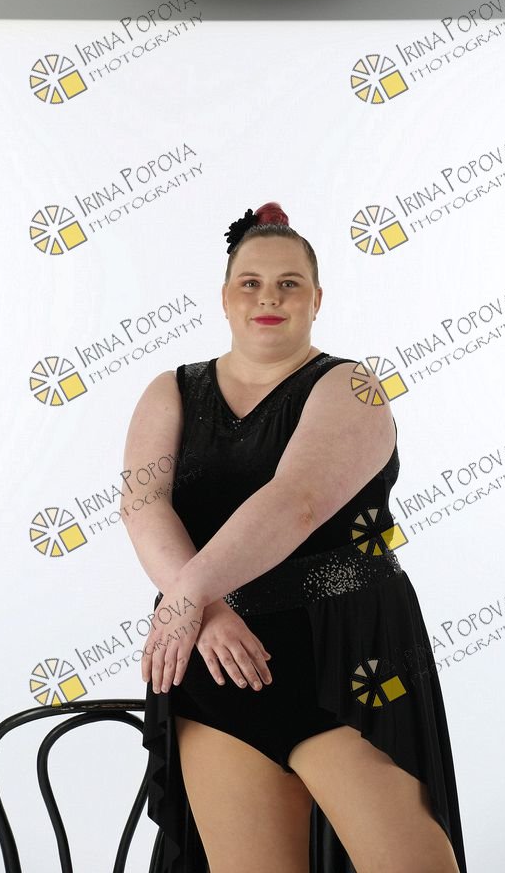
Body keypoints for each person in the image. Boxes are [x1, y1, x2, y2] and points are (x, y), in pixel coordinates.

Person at [120, 202, 468, 873]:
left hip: (344, 653)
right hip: (216, 655)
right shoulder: (170, 390)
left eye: (288, 283)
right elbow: (143, 505)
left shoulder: (351, 386)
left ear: (316, 298)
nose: (268, 298)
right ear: (225, 296)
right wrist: (204, 609)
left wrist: (186, 598)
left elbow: (296, 502)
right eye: (250, 283)